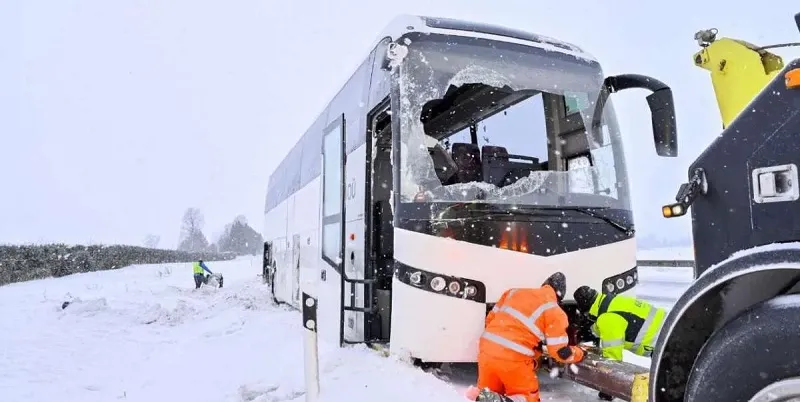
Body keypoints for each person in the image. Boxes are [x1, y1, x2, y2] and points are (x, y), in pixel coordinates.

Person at [468, 272, 586, 402]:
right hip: (513, 360)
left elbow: (490, 320)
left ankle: (489, 398)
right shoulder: (555, 311)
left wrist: (530, 349)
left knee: (488, 391)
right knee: (526, 397)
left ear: (544, 285)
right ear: (560, 296)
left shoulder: (513, 292)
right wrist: (580, 353)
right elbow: (560, 352)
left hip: (486, 352)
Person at [573, 286, 667, 401]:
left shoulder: (607, 319)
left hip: (661, 343)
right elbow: (609, 321)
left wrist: (607, 389)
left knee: (665, 386)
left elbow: (613, 359)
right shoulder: (610, 301)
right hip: (669, 327)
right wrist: (591, 330)